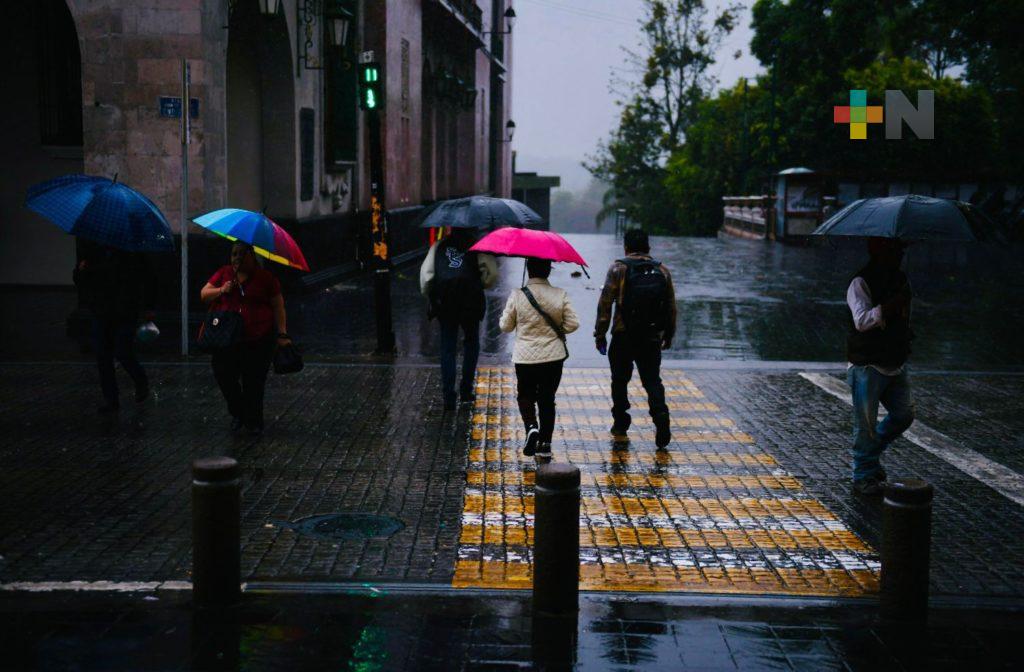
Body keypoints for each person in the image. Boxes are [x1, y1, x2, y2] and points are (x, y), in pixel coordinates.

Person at [594, 228, 677, 449]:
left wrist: (600, 334)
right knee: (652, 380)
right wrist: (668, 334)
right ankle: (661, 416)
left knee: (619, 380)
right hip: (651, 336)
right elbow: (670, 306)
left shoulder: (617, 268)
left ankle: (621, 421)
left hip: (623, 335)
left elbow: (605, 304)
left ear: (626, 247)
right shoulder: (662, 270)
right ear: (648, 247)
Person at [846, 237, 915, 496]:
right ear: (876, 251)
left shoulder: (901, 280)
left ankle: (870, 453)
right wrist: (887, 309)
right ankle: (863, 475)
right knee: (865, 425)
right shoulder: (860, 282)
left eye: (901, 250)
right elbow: (861, 321)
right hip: (867, 365)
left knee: (903, 414)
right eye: (893, 250)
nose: (899, 255)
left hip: (895, 361)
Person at [200, 242, 290, 434]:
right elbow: (204, 294)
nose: (237, 258)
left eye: (242, 254)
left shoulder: (266, 278)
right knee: (224, 375)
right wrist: (221, 290)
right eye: (234, 254)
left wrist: (282, 334)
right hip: (227, 339)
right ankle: (238, 412)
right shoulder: (224, 274)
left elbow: (278, 306)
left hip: (258, 339)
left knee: (254, 382)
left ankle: (254, 421)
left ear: (252, 255)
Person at [499, 258, 579, 459]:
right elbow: (573, 324)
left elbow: (505, 327)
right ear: (548, 271)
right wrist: (556, 330)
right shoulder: (560, 294)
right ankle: (545, 443)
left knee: (525, 394)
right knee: (547, 398)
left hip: (525, 357)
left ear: (528, 269)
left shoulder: (518, 294)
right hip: (553, 356)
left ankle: (531, 426)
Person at [73, 243, 156, 415]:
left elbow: (146, 278)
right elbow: (82, 279)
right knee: (103, 357)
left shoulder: (132, 252)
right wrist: (81, 271)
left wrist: (148, 306)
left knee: (122, 351)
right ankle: (111, 400)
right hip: (102, 309)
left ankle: (139, 380)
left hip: (124, 310)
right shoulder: (94, 251)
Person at [420, 228, 498, 410]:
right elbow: (492, 274)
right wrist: (480, 285)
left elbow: (426, 276)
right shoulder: (479, 245)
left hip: (446, 301)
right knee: (471, 342)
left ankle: (448, 396)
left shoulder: (439, 246)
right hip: (471, 300)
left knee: (448, 347)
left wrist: (430, 295)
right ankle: (466, 390)